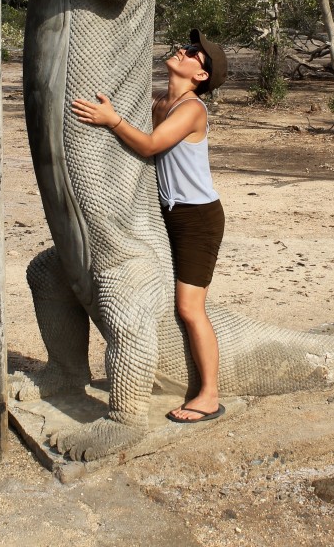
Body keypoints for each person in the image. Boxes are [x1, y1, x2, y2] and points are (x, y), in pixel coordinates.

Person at [71, 28, 228, 424]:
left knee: (191, 308)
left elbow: (150, 145)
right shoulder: (160, 103)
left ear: (201, 75)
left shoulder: (192, 109)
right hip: (167, 213)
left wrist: (111, 119)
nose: (185, 50)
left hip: (198, 219)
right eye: (188, 45)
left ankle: (209, 394)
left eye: (194, 53)